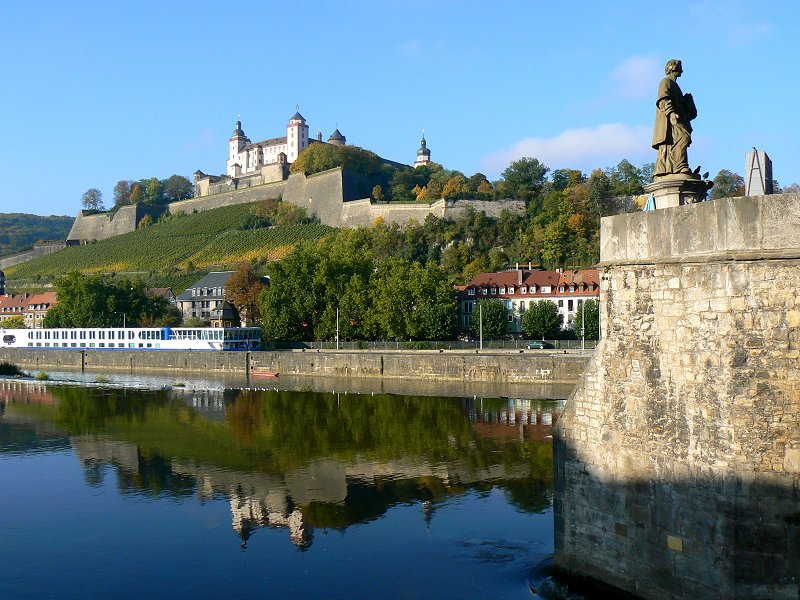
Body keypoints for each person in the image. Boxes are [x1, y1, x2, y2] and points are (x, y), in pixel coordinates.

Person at [652, 59, 697, 176]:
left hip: (680, 119)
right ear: (673, 68)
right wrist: (671, 113)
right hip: (672, 120)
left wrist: (687, 103)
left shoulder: (675, 86)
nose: (682, 69)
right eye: (680, 66)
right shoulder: (665, 82)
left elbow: (682, 107)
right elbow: (663, 99)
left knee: (681, 140)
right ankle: (680, 166)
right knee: (683, 138)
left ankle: (677, 166)